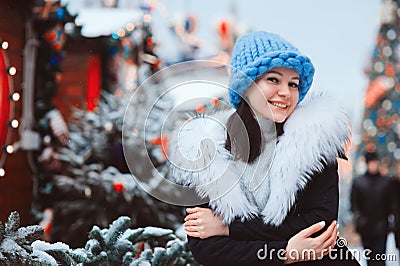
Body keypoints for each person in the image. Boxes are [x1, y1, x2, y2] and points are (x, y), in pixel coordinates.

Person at [168, 31, 358, 265]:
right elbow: (208, 249)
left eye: (293, 84)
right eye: (273, 80)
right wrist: (286, 253)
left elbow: (321, 226)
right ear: (246, 86)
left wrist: (229, 228)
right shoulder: (207, 152)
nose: (286, 93)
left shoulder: (312, 146)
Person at [351, 151, 393, 266]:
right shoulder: (359, 182)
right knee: (370, 259)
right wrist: (360, 218)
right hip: (366, 227)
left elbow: (391, 203)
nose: (373, 165)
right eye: (371, 163)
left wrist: (390, 220)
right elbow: (354, 203)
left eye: (375, 162)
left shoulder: (386, 182)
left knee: (380, 258)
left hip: (381, 226)